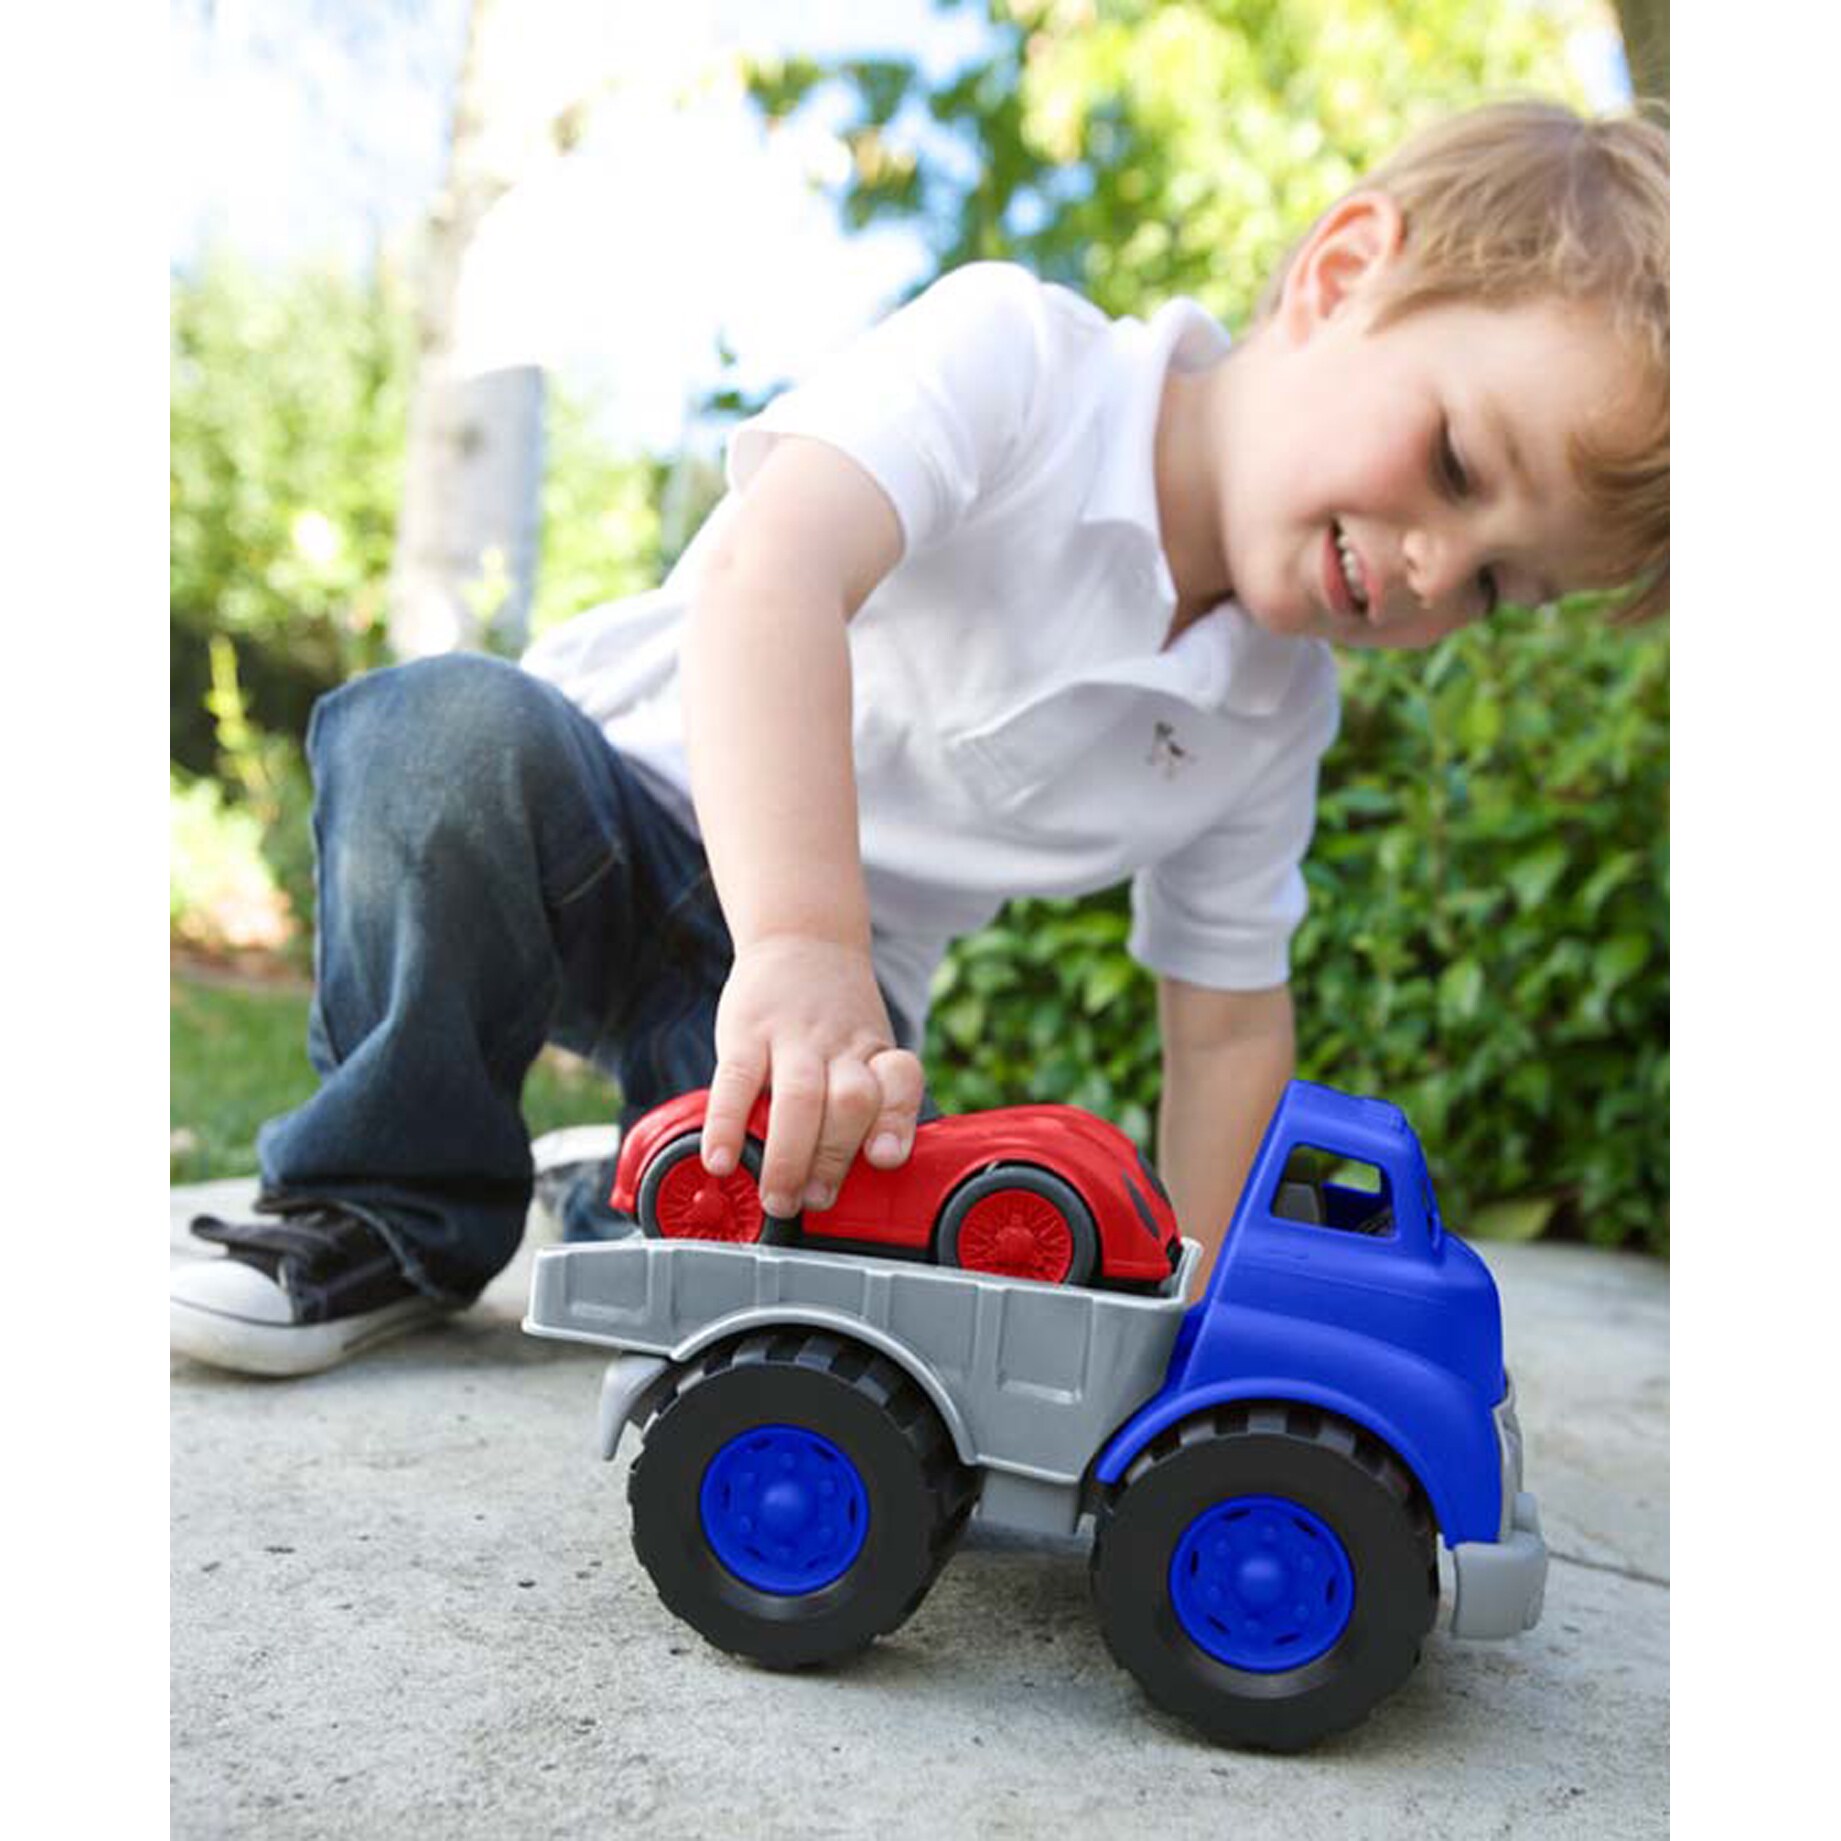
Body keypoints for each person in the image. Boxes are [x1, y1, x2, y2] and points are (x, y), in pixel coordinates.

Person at [170, 98, 1668, 1376]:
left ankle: (628, 1188)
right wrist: (805, 939)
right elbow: (778, 570)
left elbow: (1220, 1028)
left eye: (1494, 588)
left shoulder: (1270, 713)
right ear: (1343, 273)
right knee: (434, 737)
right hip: (605, 804)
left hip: (829, 999)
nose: (1431, 571)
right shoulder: (1020, 360)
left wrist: (1200, 1316)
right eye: (1460, 463)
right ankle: (380, 1207)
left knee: (801, 1288)